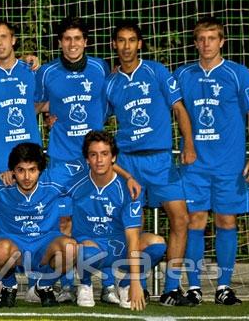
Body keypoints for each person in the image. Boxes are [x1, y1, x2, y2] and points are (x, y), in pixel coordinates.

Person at [104, 19, 196, 306]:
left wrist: (188, 144)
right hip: (129, 162)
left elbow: (178, 108)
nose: (126, 45)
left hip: (160, 159)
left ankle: (171, 288)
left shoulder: (156, 71)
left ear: (139, 43)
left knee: (182, 218)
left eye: (132, 40)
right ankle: (137, 286)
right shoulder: (110, 84)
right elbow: (98, 122)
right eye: (121, 40)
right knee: (133, 225)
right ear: (114, 45)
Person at [174, 16, 249, 305]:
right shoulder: (184, 75)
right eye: (200, 39)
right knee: (194, 220)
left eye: (211, 38)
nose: (206, 44)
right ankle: (195, 287)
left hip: (229, 164)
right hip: (195, 163)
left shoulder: (237, 73)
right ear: (195, 42)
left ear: (221, 41)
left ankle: (224, 286)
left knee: (226, 220)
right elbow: (163, 101)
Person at [34, 16, 115, 304]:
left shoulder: (100, 68)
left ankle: (107, 284)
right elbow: (35, 104)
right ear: (60, 42)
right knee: (65, 222)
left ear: (86, 41)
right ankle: (68, 284)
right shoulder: (46, 73)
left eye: (77, 38)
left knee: (100, 220)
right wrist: (46, 117)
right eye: (66, 39)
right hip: (60, 159)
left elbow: (108, 104)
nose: (72, 44)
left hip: (93, 161)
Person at [69, 131, 166, 311]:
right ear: (87, 159)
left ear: (113, 157)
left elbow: (132, 237)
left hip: (119, 247)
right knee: (83, 251)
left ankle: (125, 285)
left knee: (157, 244)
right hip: (91, 246)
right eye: (93, 155)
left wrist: (136, 281)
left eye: (105, 154)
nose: (99, 160)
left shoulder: (129, 189)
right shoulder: (74, 183)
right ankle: (85, 285)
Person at [0, 142, 82, 308]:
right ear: (12, 171)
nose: (26, 177)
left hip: (45, 247)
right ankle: (9, 287)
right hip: (13, 247)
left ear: (40, 170)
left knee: (72, 247)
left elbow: (92, 160)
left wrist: (128, 177)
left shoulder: (53, 179)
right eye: (20, 170)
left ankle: (44, 285)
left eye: (32, 170)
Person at [0, 20, 42, 171]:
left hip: (28, 158)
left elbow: (47, 103)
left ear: (13, 40)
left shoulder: (32, 71)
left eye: (3, 37)